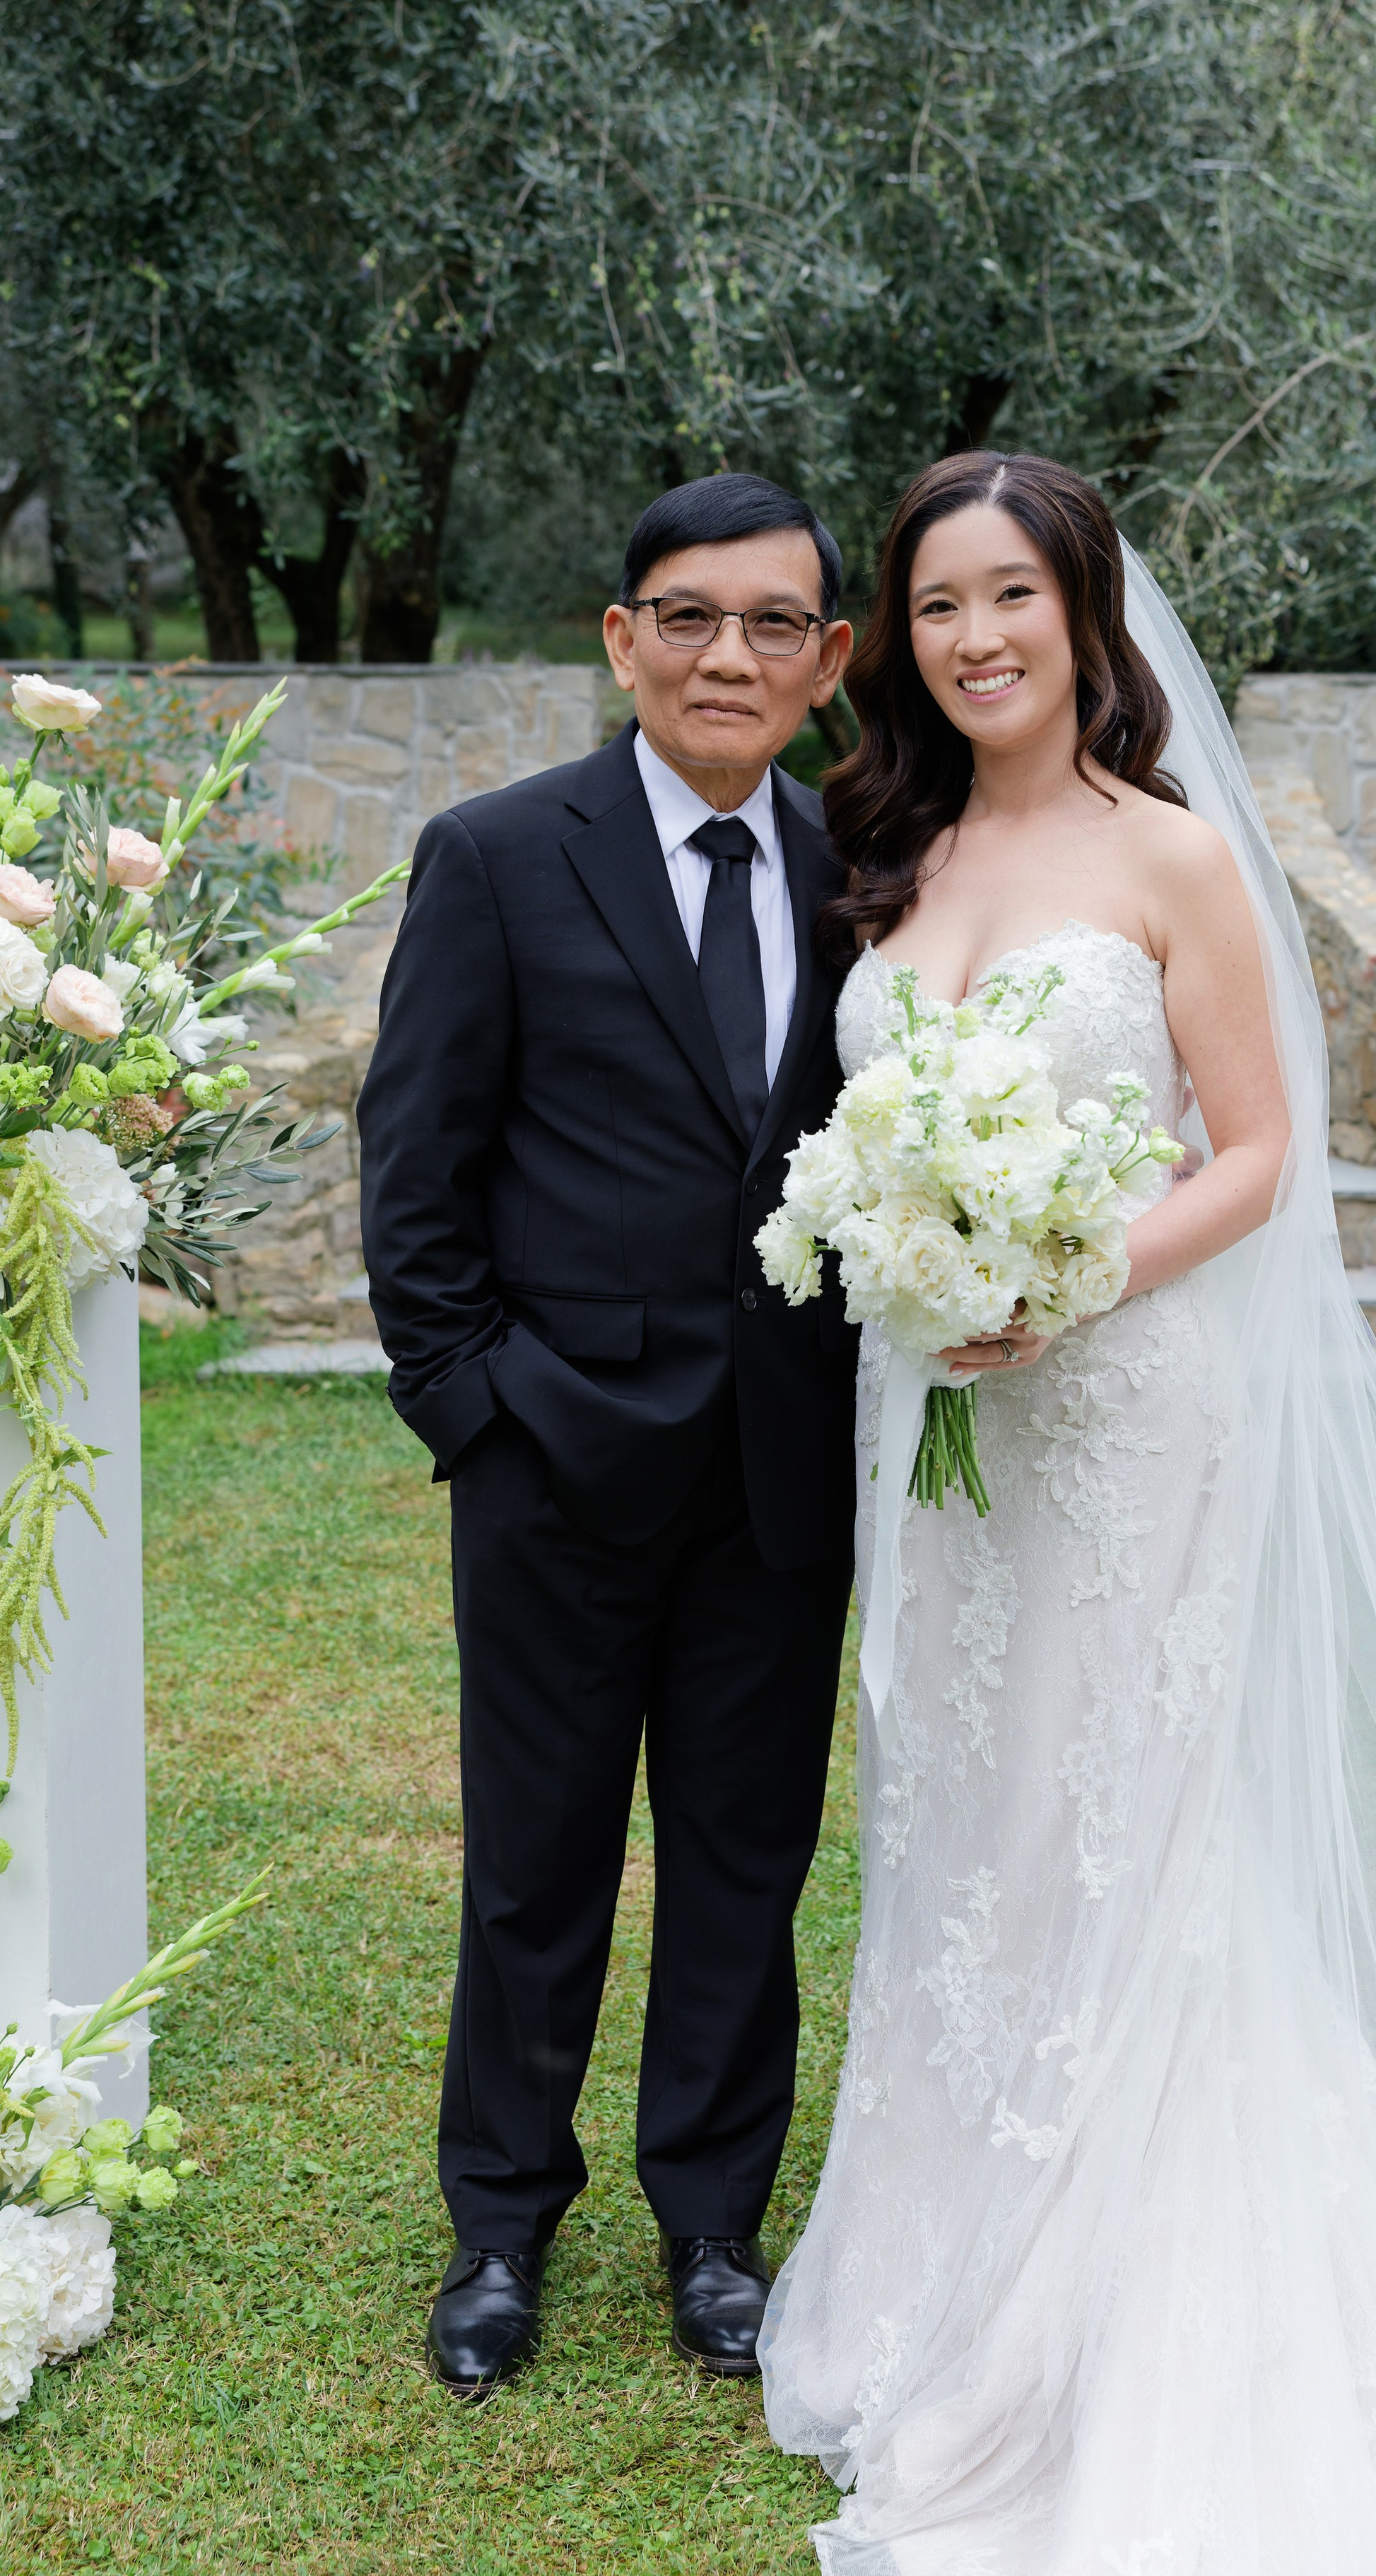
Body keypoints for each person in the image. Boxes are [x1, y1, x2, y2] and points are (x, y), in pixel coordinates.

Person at [759, 451, 1376, 2570]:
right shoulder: (886, 844)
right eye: (936, 605)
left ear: (1085, 611)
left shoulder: (1175, 855)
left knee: (1115, 1824)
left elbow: (1256, 1150)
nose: (975, 637)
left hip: (1124, 1414)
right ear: (903, 640)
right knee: (956, 1812)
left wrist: (1067, 1270)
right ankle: (946, 2262)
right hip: (934, 1423)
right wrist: (932, 1265)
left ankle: (1111, 2307)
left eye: (1010, 593)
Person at [358, 472, 859, 2399]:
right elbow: (419, 1168)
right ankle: (500, 2224)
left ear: (827, 660)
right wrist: (476, 1412)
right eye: (688, 613)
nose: (725, 652)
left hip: (779, 1472)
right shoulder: (496, 854)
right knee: (535, 1860)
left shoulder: (863, 866)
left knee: (746, 1853)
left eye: (770, 623)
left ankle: (714, 2227)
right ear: (620, 635)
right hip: (554, 1460)